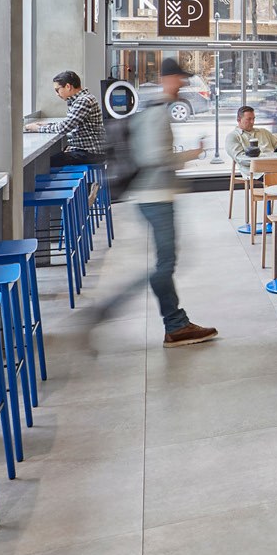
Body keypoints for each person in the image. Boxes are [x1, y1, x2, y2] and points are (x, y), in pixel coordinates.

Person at [128, 58, 219, 348]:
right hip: (155, 197)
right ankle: (175, 324)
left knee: (166, 261)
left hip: (154, 196)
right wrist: (190, 154)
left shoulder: (154, 108)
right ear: (169, 79)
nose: (184, 85)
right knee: (165, 263)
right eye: (181, 79)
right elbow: (153, 157)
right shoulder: (157, 112)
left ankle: (175, 321)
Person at [26, 70, 107, 168]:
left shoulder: (83, 101)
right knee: (54, 158)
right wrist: (46, 125)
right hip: (87, 151)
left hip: (91, 153)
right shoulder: (81, 99)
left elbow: (64, 128)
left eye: (57, 90)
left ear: (68, 86)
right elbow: (68, 123)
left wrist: (38, 129)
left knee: (45, 164)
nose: (57, 94)